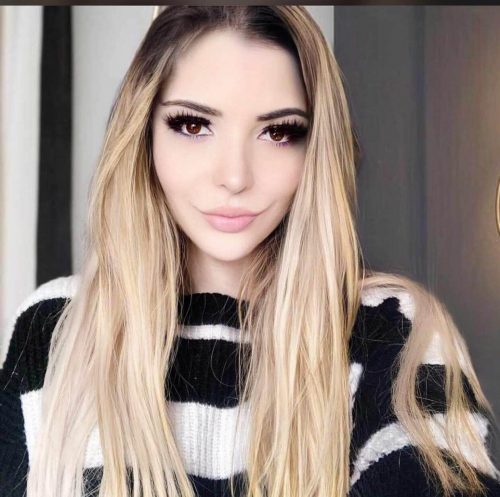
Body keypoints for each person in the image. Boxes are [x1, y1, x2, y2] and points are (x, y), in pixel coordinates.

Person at [0, 6, 499, 497]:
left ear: (316, 147)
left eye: (278, 132)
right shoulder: (54, 327)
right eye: (193, 125)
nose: (235, 177)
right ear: (143, 132)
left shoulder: (392, 329)